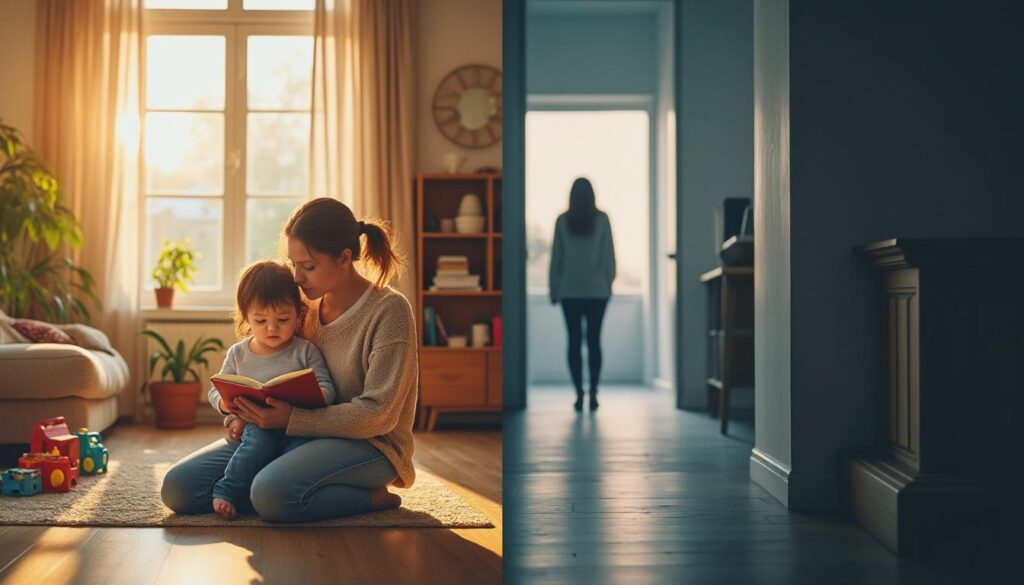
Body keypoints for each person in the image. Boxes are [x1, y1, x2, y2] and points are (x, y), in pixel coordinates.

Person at [161, 197, 418, 523]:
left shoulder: (389, 311)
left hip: (371, 445)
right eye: (294, 264)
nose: (296, 277)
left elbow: (378, 415)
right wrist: (241, 415)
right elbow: (264, 369)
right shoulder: (302, 309)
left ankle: (371, 498)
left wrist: (291, 420)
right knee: (178, 489)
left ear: (344, 258)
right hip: (285, 435)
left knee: (271, 494)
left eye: (308, 267)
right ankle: (278, 483)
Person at [207, 260, 336, 520]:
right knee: (256, 444)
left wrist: (318, 395)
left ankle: (262, 493)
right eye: (260, 320)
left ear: (298, 313)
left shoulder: (305, 350)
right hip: (256, 427)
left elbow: (326, 387)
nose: (271, 328)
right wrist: (227, 409)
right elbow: (217, 390)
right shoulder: (238, 353)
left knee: (297, 458)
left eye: (283, 319)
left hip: (298, 428)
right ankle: (228, 490)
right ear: (246, 317)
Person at [548, 177, 616, 411]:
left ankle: (579, 393)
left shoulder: (562, 221)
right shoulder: (602, 219)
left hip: (570, 291)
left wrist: (553, 288)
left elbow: (556, 258)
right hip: (597, 291)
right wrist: (608, 284)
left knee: (574, 342)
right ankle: (594, 393)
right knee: (594, 342)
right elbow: (609, 257)